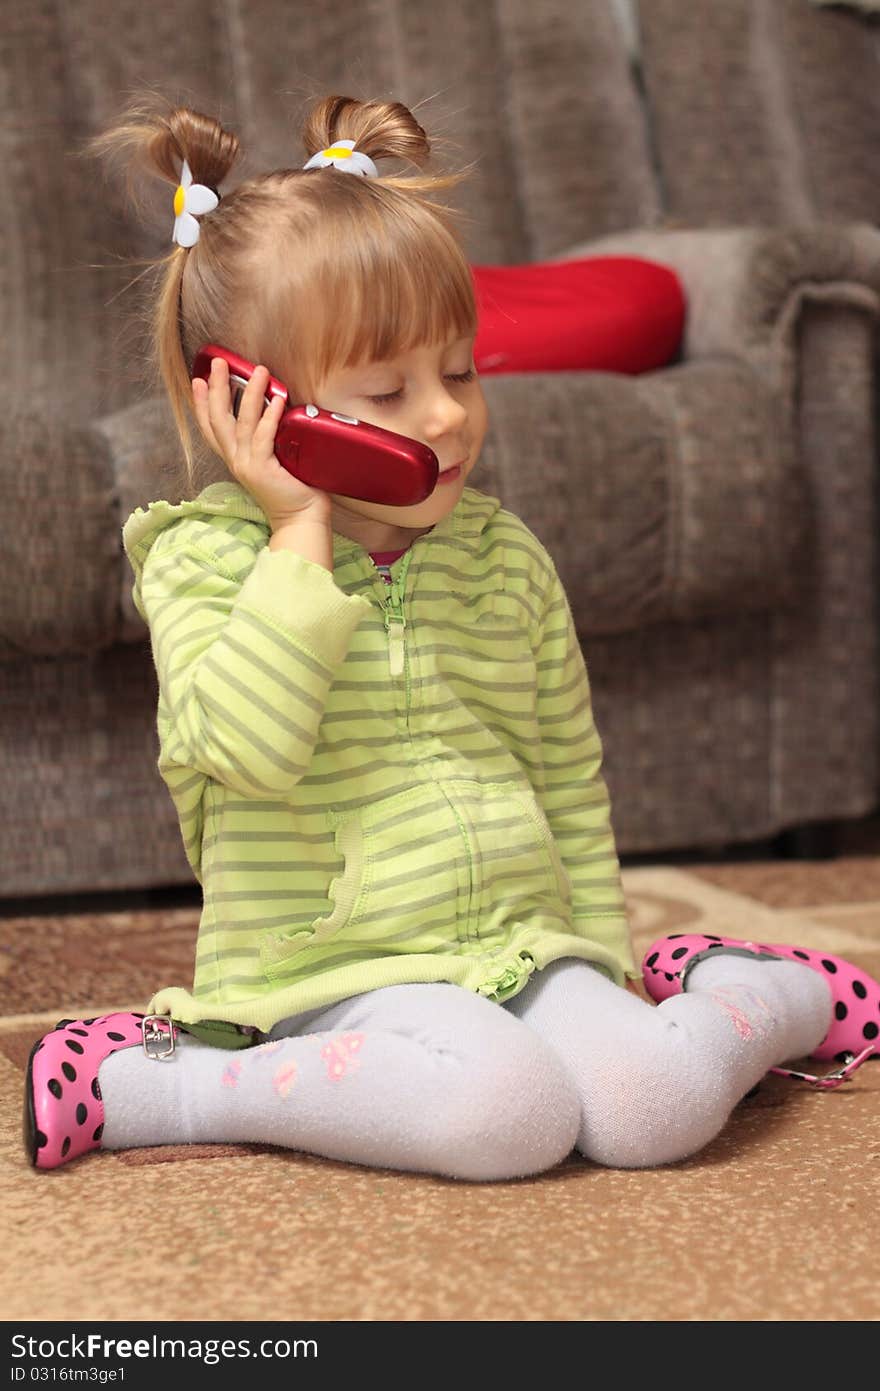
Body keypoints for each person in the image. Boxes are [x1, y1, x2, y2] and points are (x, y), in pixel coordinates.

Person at [24, 94, 877, 1179]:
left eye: (461, 369)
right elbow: (244, 748)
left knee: (650, 1108)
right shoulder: (205, 562)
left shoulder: (503, 554)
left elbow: (565, 773)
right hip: (332, 968)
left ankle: (758, 989)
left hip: (522, 943)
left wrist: (605, 965)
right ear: (250, 407)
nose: (444, 415)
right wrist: (298, 532)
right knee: (503, 1114)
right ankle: (158, 1077)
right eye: (387, 389)